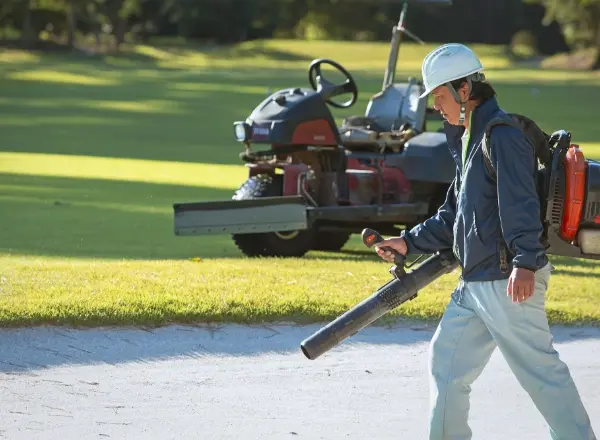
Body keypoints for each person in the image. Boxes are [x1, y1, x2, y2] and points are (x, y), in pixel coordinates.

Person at [375, 43, 597, 440]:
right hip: (475, 282)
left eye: (440, 96)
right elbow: (454, 215)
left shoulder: (501, 136)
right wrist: (408, 242)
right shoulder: (468, 139)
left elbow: (521, 203)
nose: (435, 107)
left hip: (507, 280)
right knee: (446, 365)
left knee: (541, 375)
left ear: (464, 89)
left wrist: (525, 262)